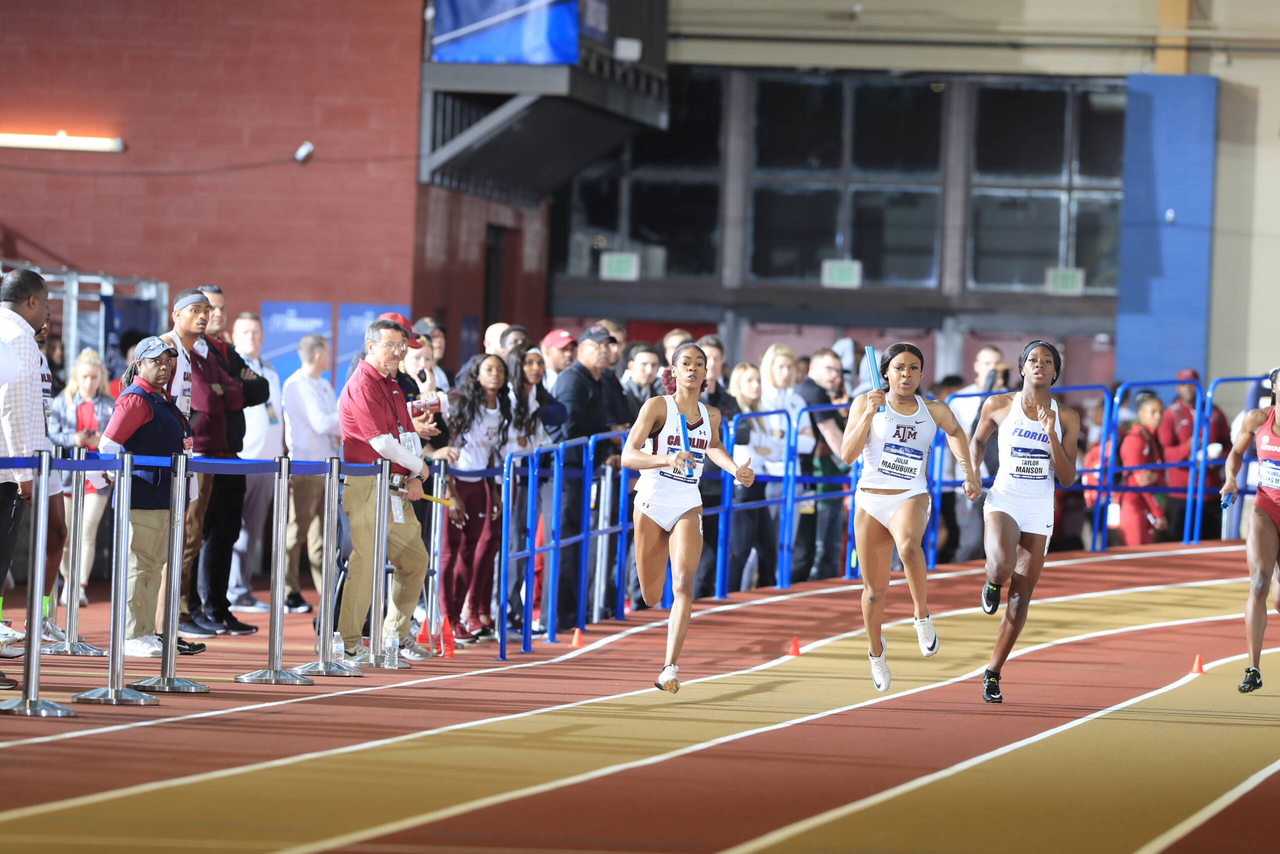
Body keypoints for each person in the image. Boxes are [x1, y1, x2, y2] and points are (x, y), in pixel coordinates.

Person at [840, 343, 980, 692]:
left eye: (914, 368)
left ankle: (921, 615)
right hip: (870, 501)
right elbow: (846, 455)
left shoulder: (933, 409)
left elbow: (956, 433)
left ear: (921, 373)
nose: (906, 374)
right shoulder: (865, 403)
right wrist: (868, 414)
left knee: (907, 546)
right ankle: (876, 652)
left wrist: (968, 472)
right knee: (875, 592)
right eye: (899, 368)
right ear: (886, 373)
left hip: (910, 494)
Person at [622, 342, 754, 693]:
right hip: (651, 501)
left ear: (707, 372)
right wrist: (667, 459)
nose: (693, 368)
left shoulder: (711, 414)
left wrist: (735, 470)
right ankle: (654, 607)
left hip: (687, 502)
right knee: (651, 595)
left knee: (683, 583)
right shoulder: (657, 406)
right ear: (673, 371)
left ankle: (669, 668)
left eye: (699, 363)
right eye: (686, 363)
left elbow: (713, 446)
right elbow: (628, 456)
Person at [969, 341, 1080, 704]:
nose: (1039, 365)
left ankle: (992, 672)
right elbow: (977, 441)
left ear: (1055, 372)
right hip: (1005, 497)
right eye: (1033, 359)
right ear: (1021, 368)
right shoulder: (999, 404)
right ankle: (992, 581)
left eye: (1047, 361)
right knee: (1002, 566)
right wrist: (972, 474)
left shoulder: (1067, 417)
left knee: (1019, 600)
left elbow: (1067, 478)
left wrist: (1051, 434)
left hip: (1039, 506)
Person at [90, 337, 204, 658]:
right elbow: (108, 446)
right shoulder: (136, 399)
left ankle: (143, 631)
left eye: (168, 361)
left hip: (161, 496)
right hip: (142, 496)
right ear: (140, 364)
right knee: (139, 566)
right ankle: (131, 635)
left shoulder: (159, 399)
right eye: (156, 361)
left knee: (152, 566)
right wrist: (113, 479)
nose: (164, 366)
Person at [336, 318, 433, 661]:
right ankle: (348, 643)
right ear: (371, 346)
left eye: (401, 346)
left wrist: (415, 474)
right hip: (368, 484)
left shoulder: (391, 385)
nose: (398, 352)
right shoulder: (362, 383)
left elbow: (407, 436)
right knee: (365, 564)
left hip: (395, 487)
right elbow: (381, 442)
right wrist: (419, 467)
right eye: (390, 345)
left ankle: (395, 635)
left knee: (415, 559)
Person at [0, 269, 67, 650]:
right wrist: (24, 473)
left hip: (30, 452)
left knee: (53, 534)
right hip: (13, 463)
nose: (46, 313)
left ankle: (39, 617)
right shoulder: (19, 338)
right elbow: (13, 410)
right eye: (45, 303)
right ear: (31, 301)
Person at [543, 324, 614, 632]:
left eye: (608, 345)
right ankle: (557, 617)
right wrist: (607, 437)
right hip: (567, 472)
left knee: (575, 544)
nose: (604, 351)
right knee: (564, 544)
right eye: (598, 345)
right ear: (582, 350)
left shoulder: (598, 379)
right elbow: (567, 429)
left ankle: (571, 614)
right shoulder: (573, 378)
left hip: (583, 472)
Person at [440, 354, 511, 642]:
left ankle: (461, 617)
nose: (495, 374)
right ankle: (447, 620)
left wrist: (493, 490)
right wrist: (451, 492)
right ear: (476, 374)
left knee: (469, 552)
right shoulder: (462, 403)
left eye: (500, 370)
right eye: (489, 369)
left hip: (480, 484)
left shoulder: (502, 407)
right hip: (455, 483)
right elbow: (447, 447)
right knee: (449, 553)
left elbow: (491, 453)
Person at [227, 312, 292, 614]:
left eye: (255, 332)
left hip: (268, 462)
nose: (251, 337)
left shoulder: (270, 369)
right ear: (234, 337)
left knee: (252, 532)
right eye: (245, 332)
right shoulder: (231, 366)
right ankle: (225, 592)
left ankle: (240, 591)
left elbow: (276, 414)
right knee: (230, 528)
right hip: (240, 460)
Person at [1221, 367, 1280, 693]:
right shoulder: (1258, 418)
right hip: (1265, 507)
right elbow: (1236, 452)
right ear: (1274, 387)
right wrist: (1231, 479)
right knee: (1258, 582)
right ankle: (1253, 669)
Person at [156, 289, 210, 638]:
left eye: (206, 310)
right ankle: (154, 629)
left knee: (178, 544)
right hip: (161, 459)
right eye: (195, 310)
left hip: (181, 454)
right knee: (159, 549)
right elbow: (139, 395)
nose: (203, 316)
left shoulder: (188, 354)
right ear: (176, 314)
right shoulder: (165, 347)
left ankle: (165, 628)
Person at [50, 348, 115, 606]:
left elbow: (116, 437)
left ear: (101, 378)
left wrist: (101, 441)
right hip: (67, 474)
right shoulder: (62, 401)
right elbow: (50, 435)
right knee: (64, 532)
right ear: (76, 376)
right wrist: (74, 439)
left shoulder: (109, 405)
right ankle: (68, 580)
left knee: (87, 530)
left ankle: (79, 586)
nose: (89, 382)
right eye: (85, 376)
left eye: (94, 377)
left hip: (96, 475)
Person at [282, 334, 342, 598]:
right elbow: (322, 423)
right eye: (327, 353)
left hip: (326, 467)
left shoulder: (323, 384)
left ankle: (325, 593)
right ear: (318, 356)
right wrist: (347, 418)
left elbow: (331, 423)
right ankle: (288, 591)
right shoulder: (297, 384)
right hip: (305, 467)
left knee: (322, 534)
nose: (330, 357)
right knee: (296, 530)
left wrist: (339, 421)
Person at [791, 349, 850, 582]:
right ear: (812, 368)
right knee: (806, 550)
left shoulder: (801, 390)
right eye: (829, 368)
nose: (835, 375)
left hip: (801, 477)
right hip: (807, 479)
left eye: (838, 370)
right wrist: (860, 463)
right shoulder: (816, 392)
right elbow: (833, 438)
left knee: (801, 547)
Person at [726, 362, 784, 590]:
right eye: (749, 381)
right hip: (742, 488)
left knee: (768, 551)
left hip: (758, 487)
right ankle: (728, 599)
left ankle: (766, 596)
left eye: (758, 380)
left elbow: (777, 452)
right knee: (740, 552)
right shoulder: (736, 414)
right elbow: (745, 457)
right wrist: (765, 450)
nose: (756, 385)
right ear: (738, 385)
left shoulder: (759, 415)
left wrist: (763, 450)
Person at [692, 334, 740, 598]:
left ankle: (699, 604)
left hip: (716, 486)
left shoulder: (727, 399)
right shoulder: (680, 397)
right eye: (703, 359)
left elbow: (742, 431)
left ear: (723, 362)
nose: (708, 364)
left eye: (714, 358)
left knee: (711, 554)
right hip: (686, 484)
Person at [503, 344, 548, 624]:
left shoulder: (537, 396)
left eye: (539, 363)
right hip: (507, 477)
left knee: (522, 540)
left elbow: (534, 440)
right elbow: (509, 441)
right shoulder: (508, 396)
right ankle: (504, 607)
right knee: (511, 540)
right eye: (528, 363)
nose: (535, 369)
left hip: (527, 474)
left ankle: (514, 606)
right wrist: (522, 442)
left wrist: (527, 441)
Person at [1160, 368, 1231, 540]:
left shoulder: (1214, 412)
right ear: (1177, 387)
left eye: (1192, 384)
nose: (1188, 388)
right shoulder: (1171, 414)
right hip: (1182, 494)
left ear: (1199, 385)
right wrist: (1187, 447)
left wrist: (1217, 458)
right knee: (1178, 544)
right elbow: (1165, 454)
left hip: (1211, 491)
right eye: (1183, 384)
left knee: (1212, 544)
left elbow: (1229, 447)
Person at [1117, 392, 1168, 546]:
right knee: (1135, 551)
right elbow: (1141, 481)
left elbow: (1155, 475)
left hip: (1145, 504)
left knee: (1145, 550)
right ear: (1140, 414)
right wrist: (1157, 512)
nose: (1158, 416)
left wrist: (1155, 477)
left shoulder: (1151, 437)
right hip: (1132, 504)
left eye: (1160, 412)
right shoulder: (1135, 439)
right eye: (1153, 412)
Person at [621, 344, 663, 421]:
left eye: (654, 365)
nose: (649, 370)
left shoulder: (662, 393)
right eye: (644, 364)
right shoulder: (620, 392)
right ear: (631, 366)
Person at [412, 317, 451, 392]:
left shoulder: (441, 373)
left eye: (441, 336)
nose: (439, 340)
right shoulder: (412, 373)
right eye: (432, 336)